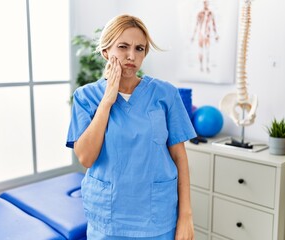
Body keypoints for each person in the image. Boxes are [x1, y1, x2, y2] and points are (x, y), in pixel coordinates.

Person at [66, 14, 196, 240]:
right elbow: (86, 158)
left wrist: (186, 216)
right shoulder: (86, 97)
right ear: (106, 51)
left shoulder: (165, 94)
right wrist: (107, 100)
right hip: (108, 219)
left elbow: (180, 158)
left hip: (157, 218)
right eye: (123, 46)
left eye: (139, 49)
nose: (131, 56)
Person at [191, 0, 219, 73]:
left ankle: (207, 66)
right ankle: (201, 66)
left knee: (207, 51)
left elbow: (213, 25)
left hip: (207, 34)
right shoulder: (200, 14)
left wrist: (216, 35)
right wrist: (193, 36)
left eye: (207, 3)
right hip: (201, 34)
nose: (206, 4)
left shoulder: (211, 13)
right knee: (201, 50)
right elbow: (196, 25)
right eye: (205, 3)